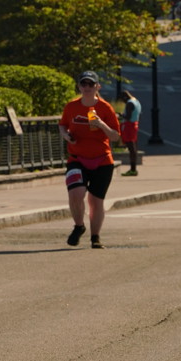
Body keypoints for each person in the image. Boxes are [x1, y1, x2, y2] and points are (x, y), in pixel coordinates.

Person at [59, 71, 121, 249]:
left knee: (95, 201)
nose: (87, 87)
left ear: (97, 87)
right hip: (77, 158)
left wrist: (101, 124)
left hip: (102, 160)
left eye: (91, 84)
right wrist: (66, 135)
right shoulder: (71, 106)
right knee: (76, 194)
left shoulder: (105, 108)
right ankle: (79, 226)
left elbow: (116, 136)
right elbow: (62, 125)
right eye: (83, 84)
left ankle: (95, 237)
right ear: (79, 86)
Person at [120, 88, 142, 174]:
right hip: (135, 124)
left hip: (129, 126)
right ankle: (133, 169)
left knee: (131, 148)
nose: (123, 102)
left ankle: (133, 169)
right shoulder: (136, 101)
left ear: (125, 98)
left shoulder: (129, 103)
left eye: (123, 100)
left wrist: (121, 115)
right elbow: (139, 115)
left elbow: (128, 117)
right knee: (134, 147)